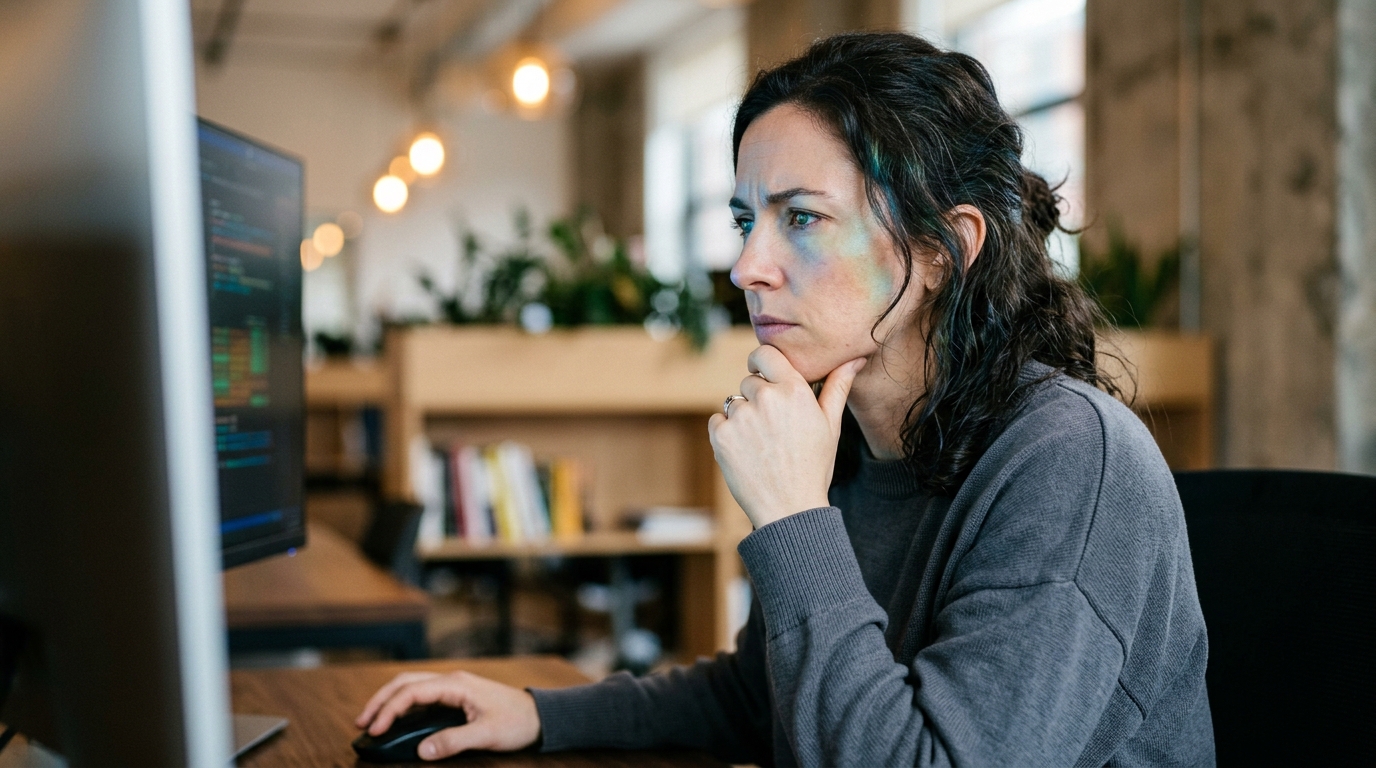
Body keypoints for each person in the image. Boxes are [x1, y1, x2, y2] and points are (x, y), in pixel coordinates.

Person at [355, 32, 1215, 767]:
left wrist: (795, 519)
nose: (746, 267)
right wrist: (543, 715)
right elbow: (765, 694)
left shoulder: (1069, 460)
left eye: (800, 217)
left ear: (946, 249)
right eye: (745, 221)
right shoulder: (843, 436)